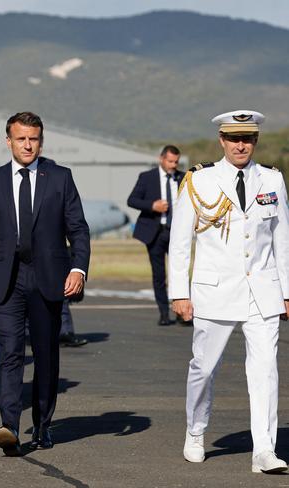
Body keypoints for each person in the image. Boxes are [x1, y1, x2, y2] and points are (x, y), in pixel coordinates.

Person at [169, 110, 289, 474]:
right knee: (204, 368)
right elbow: (180, 243)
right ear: (222, 140)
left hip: (262, 291)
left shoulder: (272, 179)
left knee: (266, 371)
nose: (242, 145)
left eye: (248, 138)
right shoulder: (199, 180)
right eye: (235, 138)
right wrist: (179, 292)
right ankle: (196, 430)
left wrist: (287, 290)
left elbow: (282, 238)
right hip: (214, 291)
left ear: (255, 141)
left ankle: (264, 450)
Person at [0, 112, 90, 455]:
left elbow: (78, 229)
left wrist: (78, 269)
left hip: (48, 279)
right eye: (21, 138)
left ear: (41, 140)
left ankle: (42, 425)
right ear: (8, 141)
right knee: (9, 354)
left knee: (45, 356)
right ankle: (9, 425)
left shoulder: (60, 178)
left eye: (33, 138)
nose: (27, 144)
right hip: (7, 279)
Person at [127, 145, 184, 325]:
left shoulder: (183, 178)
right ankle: (164, 314)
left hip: (177, 233)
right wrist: (152, 206)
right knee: (159, 275)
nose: (173, 165)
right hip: (156, 233)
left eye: (176, 162)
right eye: (170, 161)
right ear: (161, 159)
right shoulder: (147, 177)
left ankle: (182, 312)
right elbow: (132, 200)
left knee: (179, 273)